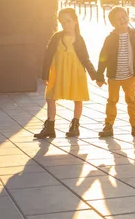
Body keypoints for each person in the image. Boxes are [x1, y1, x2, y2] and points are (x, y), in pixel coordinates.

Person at [36, 7, 97, 139]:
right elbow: (48, 56)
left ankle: (75, 125)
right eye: (63, 23)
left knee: (77, 98)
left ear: (75, 21)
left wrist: (95, 76)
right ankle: (50, 126)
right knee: (50, 97)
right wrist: (45, 74)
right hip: (58, 72)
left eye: (68, 21)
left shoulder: (79, 39)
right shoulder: (57, 37)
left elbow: (85, 59)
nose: (66, 25)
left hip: (76, 73)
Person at [96, 6, 135, 137]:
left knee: (131, 100)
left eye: (124, 16)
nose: (122, 20)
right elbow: (103, 57)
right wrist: (99, 75)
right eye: (118, 19)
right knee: (112, 101)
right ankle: (108, 126)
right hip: (113, 77)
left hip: (129, 76)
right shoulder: (110, 38)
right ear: (113, 23)